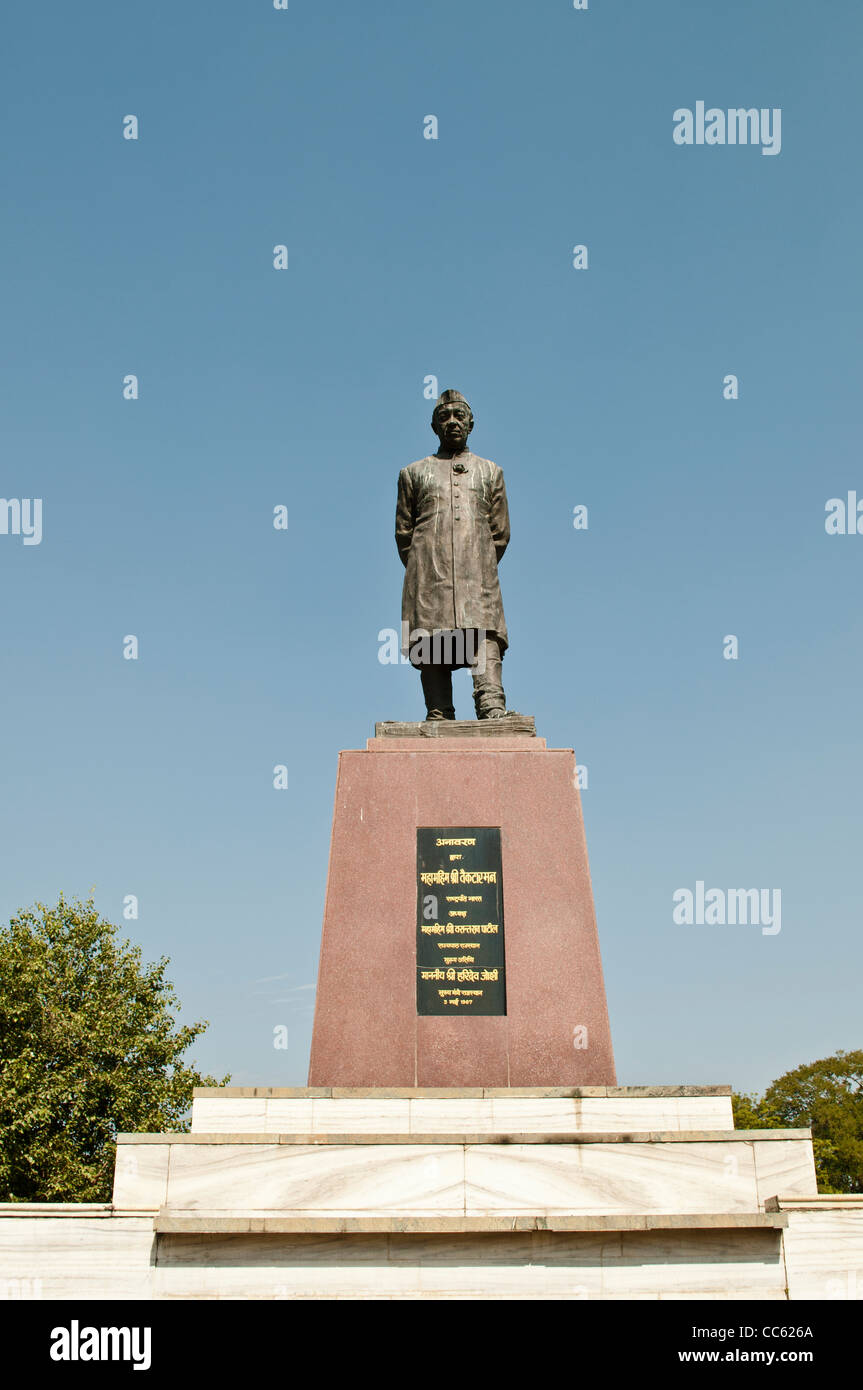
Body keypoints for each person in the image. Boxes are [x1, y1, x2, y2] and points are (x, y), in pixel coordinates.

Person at [395, 389, 511, 720]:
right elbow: (404, 533)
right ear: (434, 427)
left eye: (459, 416)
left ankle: (491, 705)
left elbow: (500, 533)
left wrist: (475, 561)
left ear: (471, 423)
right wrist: (427, 563)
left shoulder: (491, 472)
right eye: (444, 417)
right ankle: (439, 710)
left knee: (482, 630)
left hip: (478, 572)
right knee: (432, 634)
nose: (452, 422)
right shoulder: (413, 473)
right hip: (429, 572)